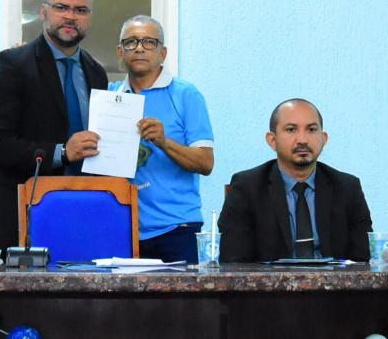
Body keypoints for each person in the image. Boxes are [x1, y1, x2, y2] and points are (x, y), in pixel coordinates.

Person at [0, 0, 108, 256]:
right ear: (44, 11)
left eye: (80, 10)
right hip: (28, 215)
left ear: (89, 18)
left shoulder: (97, 73)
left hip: (86, 211)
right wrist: (61, 151)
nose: (70, 16)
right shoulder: (12, 64)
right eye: (62, 7)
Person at [110, 15, 214, 263]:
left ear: (163, 52)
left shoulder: (185, 94)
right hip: (126, 229)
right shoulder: (111, 96)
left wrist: (164, 141)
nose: (139, 48)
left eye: (149, 42)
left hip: (178, 228)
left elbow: (206, 163)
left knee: (181, 303)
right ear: (119, 52)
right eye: (130, 42)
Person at [218, 98, 372, 262]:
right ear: (272, 140)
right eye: (291, 130)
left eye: (312, 129)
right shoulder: (247, 188)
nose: (302, 140)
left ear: (324, 138)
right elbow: (233, 262)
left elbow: (362, 260)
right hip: (269, 286)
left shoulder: (347, 188)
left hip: (336, 286)